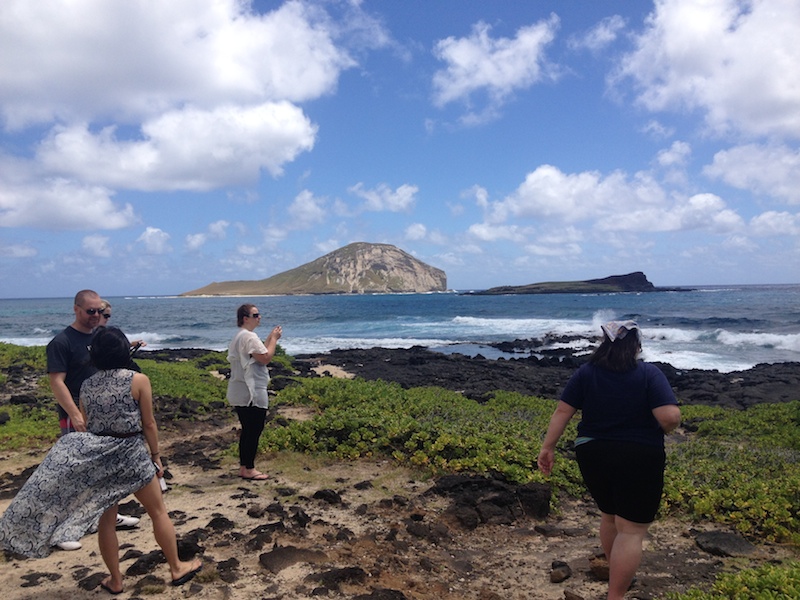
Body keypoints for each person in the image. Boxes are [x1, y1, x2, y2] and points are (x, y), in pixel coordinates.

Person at [0, 327, 202, 593]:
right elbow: (149, 423)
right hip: (132, 454)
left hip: (103, 460)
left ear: (94, 355)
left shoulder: (87, 385)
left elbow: (88, 425)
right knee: (157, 512)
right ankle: (176, 568)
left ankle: (116, 580)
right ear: (124, 351)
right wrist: (156, 455)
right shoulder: (138, 380)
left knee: (107, 523)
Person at [537, 320, 681, 600]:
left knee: (610, 515)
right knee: (632, 530)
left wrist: (547, 448)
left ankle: (617, 573)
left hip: (591, 452)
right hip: (638, 455)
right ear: (636, 346)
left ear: (605, 345)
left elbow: (562, 411)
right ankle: (615, 595)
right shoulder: (648, 373)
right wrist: (664, 428)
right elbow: (670, 417)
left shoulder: (586, 372)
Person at [46, 291, 140, 548]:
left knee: (105, 471)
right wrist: (75, 414)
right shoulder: (62, 342)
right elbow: (57, 382)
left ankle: (107, 515)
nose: (96, 316)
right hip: (76, 415)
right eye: (91, 311)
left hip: (103, 417)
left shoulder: (100, 338)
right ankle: (61, 530)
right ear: (76, 309)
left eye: (100, 311)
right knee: (72, 471)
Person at [227, 304, 282, 480]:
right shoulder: (249, 336)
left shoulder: (240, 335)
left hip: (240, 389)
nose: (259, 317)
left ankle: (245, 466)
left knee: (248, 430)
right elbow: (265, 358)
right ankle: (249, 468)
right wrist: (274, 339)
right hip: (251, 391)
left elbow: (258, 354)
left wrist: (269, 338)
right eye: (256, 315)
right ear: (246, 318)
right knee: (254, 430)